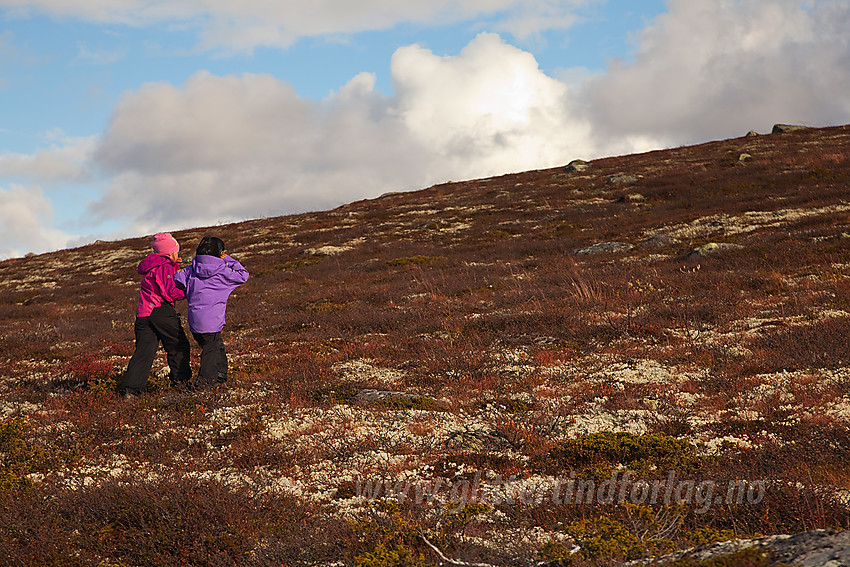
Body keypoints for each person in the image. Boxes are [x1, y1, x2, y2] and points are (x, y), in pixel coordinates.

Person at [120, 232, 192, 396]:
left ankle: (130, 391)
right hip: (160, 310)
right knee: (178, 345)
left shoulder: (150, 266)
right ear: (170, 252)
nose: (178, 254)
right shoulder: (164, 266)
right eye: (176, 250)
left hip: (143, 314)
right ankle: (181, 383)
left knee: (144, 352)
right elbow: (170, 292)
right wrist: (189, 290)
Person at [174, 235, 248, 389]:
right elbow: (243, 275)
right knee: (211, 350)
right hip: (212, 321)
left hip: (194, 321)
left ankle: (220, 376)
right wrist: (228, 259)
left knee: (216, 345)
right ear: (220, 253)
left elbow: (177, 278)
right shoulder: (223, 271)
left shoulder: (191, 270)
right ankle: (204, 383)